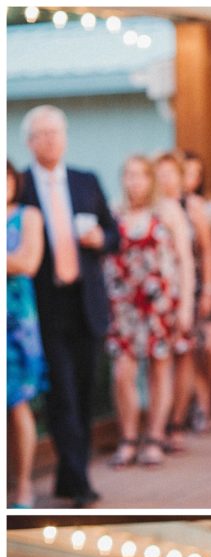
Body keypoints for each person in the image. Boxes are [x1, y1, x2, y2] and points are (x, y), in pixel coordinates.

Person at [19, 104, 119, 507]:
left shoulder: (85, 181)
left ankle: (68, 473)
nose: (49, 140)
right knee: (61, 393)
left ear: (65, 137)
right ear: (29, 142)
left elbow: (113, 232)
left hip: (86, 298)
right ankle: (79, 482)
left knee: (84, 389)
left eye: (55, 132)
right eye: (41, 134)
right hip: (45, 302)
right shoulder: (20, 186)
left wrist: (101, 239)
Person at [104, 155, 194, 468]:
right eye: (129, 175)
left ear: (150, 179)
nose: (135, 181)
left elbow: (185, 260)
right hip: (124, 305)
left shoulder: (167, 211)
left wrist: (186, 307)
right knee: (123, 373)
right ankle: (128, 437)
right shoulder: (114, 212)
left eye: (141, 175)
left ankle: (155, 436)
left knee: (160, 370)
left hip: (160, 304)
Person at [154, 152, 211, 452]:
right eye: (160, 173)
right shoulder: (152, 207)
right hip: (157, 292)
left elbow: (206, 251)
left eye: (170, 174)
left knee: (186, 355)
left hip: (189, 288)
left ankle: (176, 421)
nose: (164, 179)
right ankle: (160, 420)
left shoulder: (191, 206)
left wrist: (208, 291)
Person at [7, 158, 47, 509]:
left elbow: (28, 262)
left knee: (18, 403)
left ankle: (23, 485)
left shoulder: (29, 216)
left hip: (15, 322)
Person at [183, 150, 211, 433]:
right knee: (191, 346)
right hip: (182, 281)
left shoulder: (208, 206)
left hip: (205, 281)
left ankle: (208, 396)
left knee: (209, 344)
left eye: (194, 173)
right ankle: (200, 406)